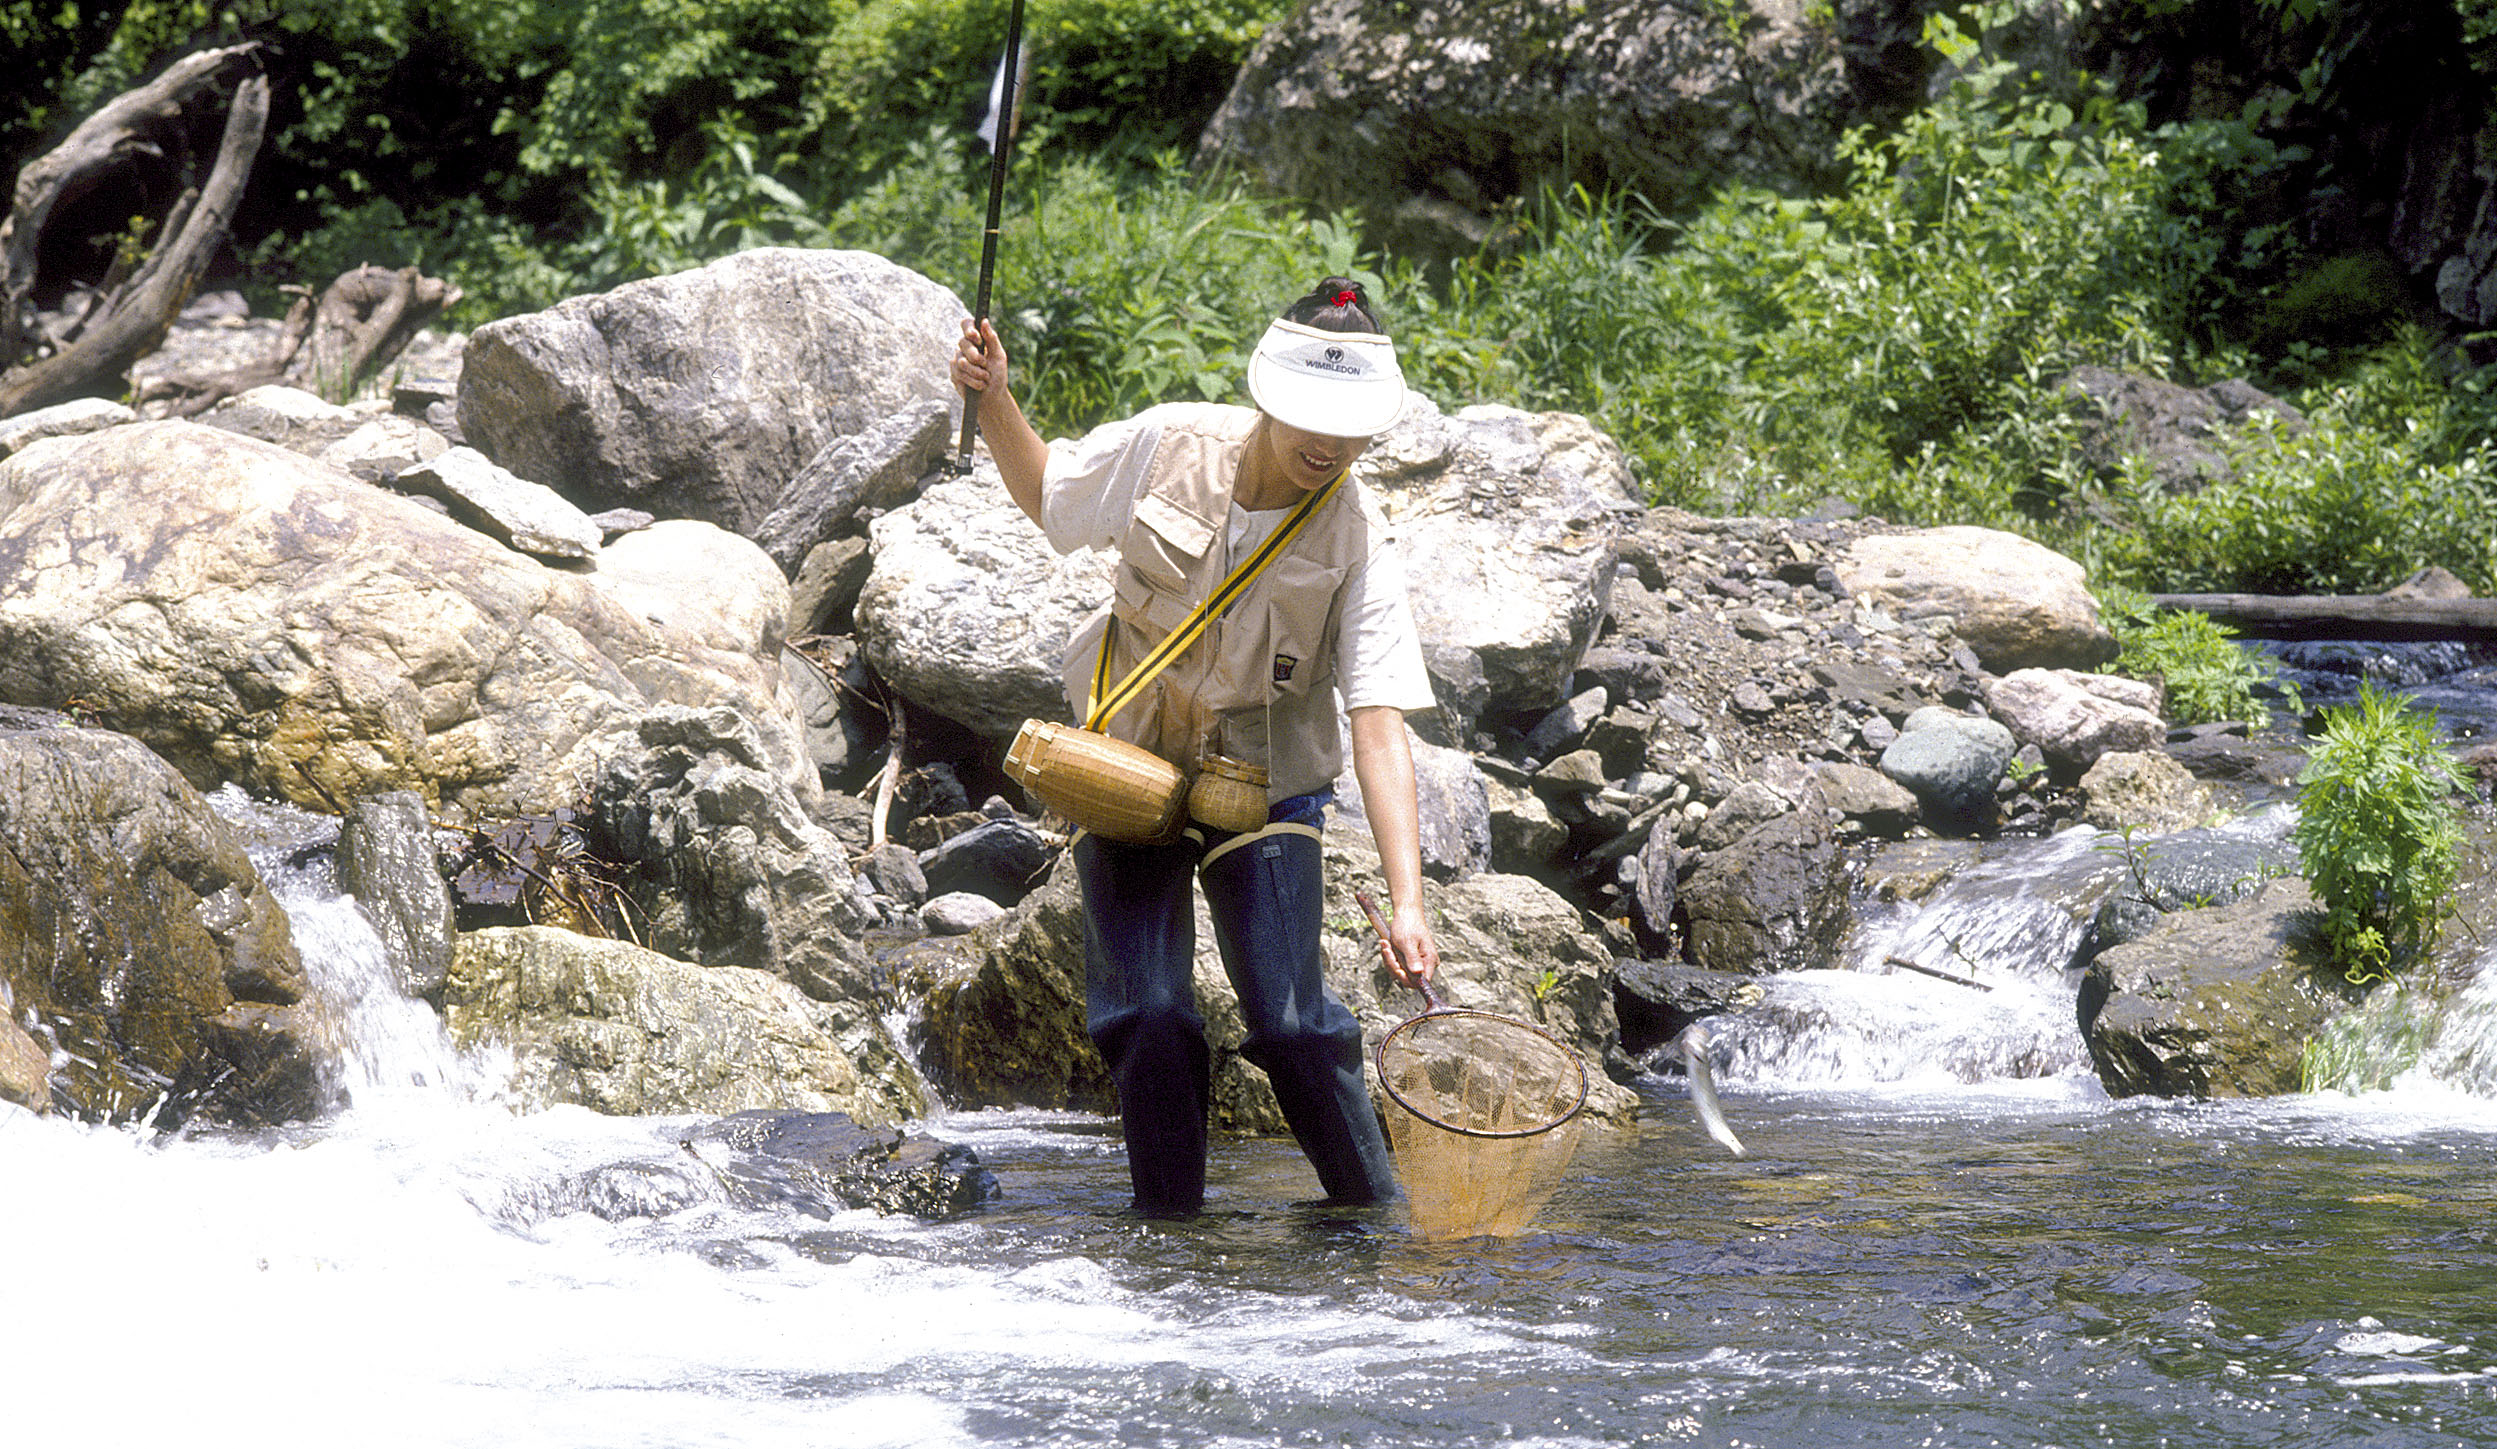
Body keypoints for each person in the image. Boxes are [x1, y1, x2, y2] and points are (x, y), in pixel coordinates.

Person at [951, 276, 1442, 1217]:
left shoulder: (1359, 537)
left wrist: (1409, 902)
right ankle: (1170, 1242)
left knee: (1294, 1025)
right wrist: (996, 397)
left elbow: (1378, 724)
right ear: (1264, 394)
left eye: (1348, 429)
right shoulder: (1167, 443)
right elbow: (1050, 498)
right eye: (1308, 417)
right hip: (1126, 768)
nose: (1326, 446)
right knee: (1149, 1015)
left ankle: (1382, 1228)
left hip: (1267, 789)